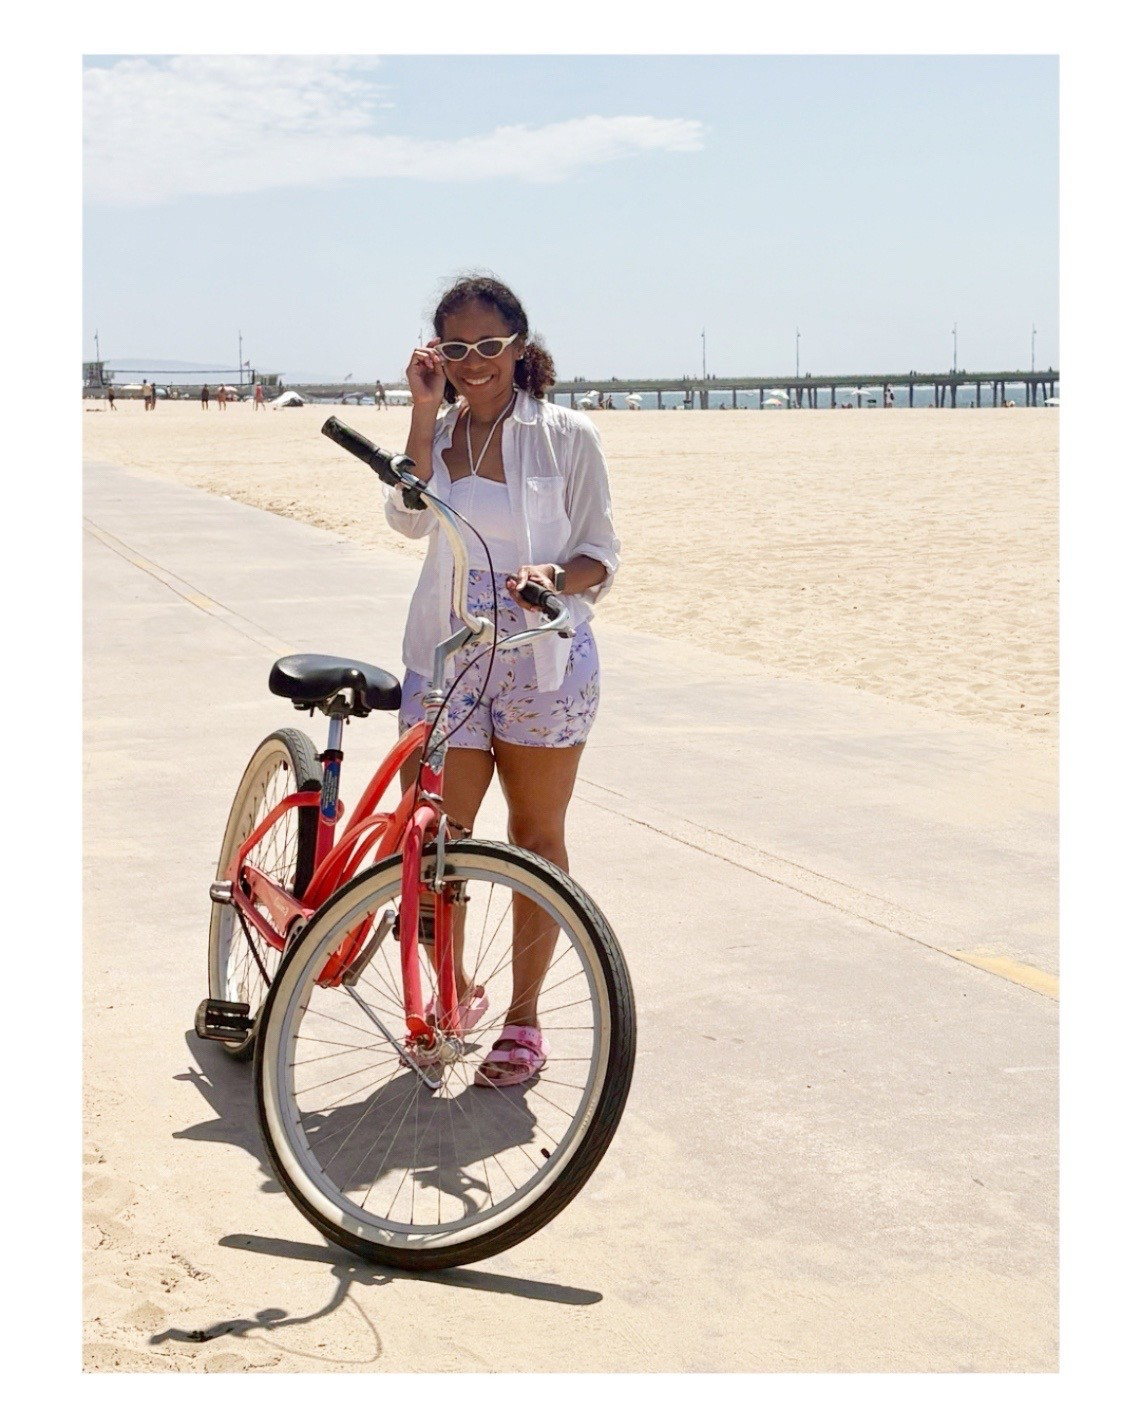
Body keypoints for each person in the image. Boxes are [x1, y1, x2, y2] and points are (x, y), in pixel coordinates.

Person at [390, 273, 620, 1088]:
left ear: (519, 346)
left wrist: (556, 573)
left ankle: (523, 1022)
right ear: (438, 355)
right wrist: (422, 411)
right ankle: (450, 1000)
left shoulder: (566, 436)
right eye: (457, 349)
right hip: (447, 656)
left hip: (543, 660)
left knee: (536, 839)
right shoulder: (440, 431)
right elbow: (408, 515)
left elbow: (602, 554)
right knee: (439, 845)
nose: (475, 362)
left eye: (490, 346)